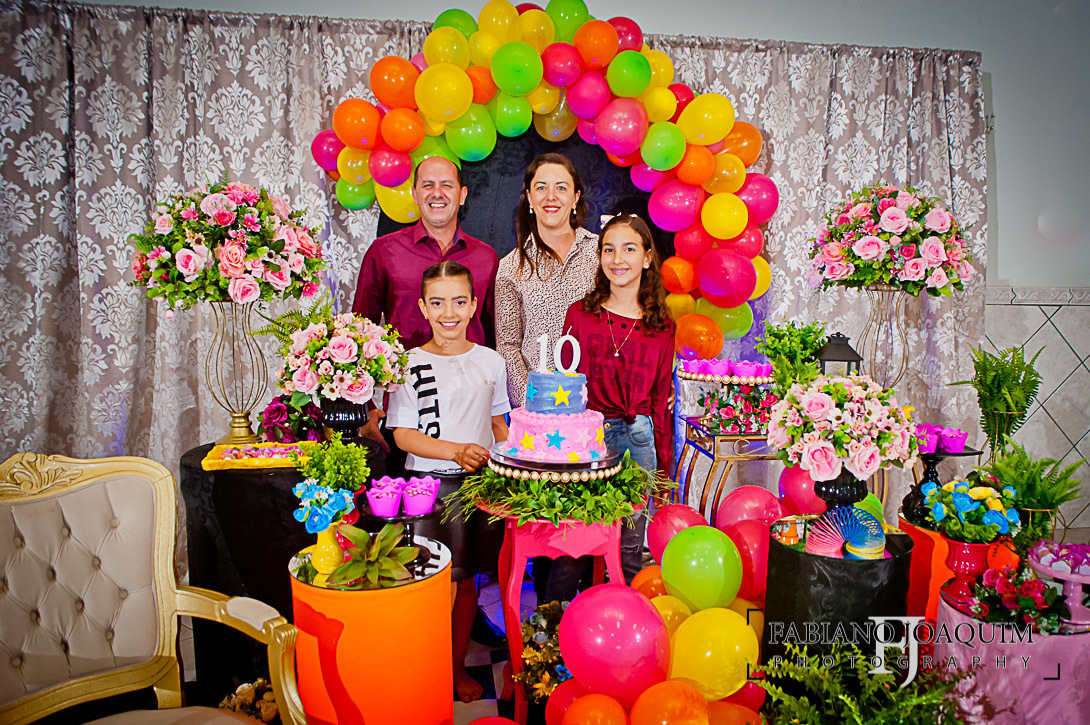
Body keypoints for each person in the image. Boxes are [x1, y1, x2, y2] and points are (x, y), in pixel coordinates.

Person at [386, 261, 511, 703]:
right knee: (434, 583)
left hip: (478, 486)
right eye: (437, 303)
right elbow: (403, 435)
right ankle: (425, 667)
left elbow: (497, 423)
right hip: (429, 487)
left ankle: (455, 667)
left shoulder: (491, 361)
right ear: (423, 307)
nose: (449, 312)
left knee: (468, 581)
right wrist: (454, 450)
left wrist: (513, 458)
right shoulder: (408, 363)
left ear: (474, 305)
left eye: (459, 301)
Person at [548, 214, 676, 603]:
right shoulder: (580, 314)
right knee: (572, 547)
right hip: (585, 442)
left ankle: (619, 625)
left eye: (629, 249)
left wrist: (664, 467)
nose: (617, 259)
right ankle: (552, 628)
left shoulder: (662, 326)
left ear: (647, 258)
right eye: (609, 249)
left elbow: (660, 402)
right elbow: (564, 387)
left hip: (637, 441)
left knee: (629, 550)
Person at [495, 153, 599, 406]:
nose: (551, 196)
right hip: (537, 408)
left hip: (599, 404)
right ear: (529, 198)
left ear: (575, 197)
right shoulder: (511, 266)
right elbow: (508, 346)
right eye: (541, 187)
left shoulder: (602, 254)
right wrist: (528, 404)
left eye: (561, 188)